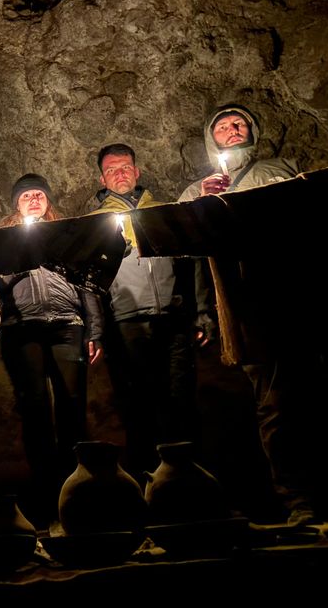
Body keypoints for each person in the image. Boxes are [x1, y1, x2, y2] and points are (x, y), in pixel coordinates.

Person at [177, 104, 323, 527]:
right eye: (222, 127)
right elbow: (181, 234)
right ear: (213, 141)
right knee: (273, 403)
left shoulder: (281, 169)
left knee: (315, 394)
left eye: (239, 123)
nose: (232, 129)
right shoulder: (202, 188)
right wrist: (205, 201)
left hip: (297, 297)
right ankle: (297, 500)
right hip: (246, 309)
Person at [0, 173, 105, 530]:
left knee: (73, 402)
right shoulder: (4, 238)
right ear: (16, 204)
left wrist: (95, 328)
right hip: (21, 327)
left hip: (66, 325)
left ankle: (77, 490)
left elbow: (87, 282)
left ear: (48, 200)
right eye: (27, 196)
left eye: (39, 194)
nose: (34, 200)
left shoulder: (66, 234)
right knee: (35, 407)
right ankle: (45, 494)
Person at [88, 144, 203, 484]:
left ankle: (187, 483)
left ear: (137, 171)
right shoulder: (96, 222)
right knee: (140, 401)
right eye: (112, 170)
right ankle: (148, 484)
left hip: (173, 315)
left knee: (181, 398)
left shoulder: (161, 210)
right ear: (102, 178)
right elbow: (91, 279)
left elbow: (189, 260)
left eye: (125, 167)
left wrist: (200, 311)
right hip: (128, 320)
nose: (120, 173)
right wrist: (98, 330)